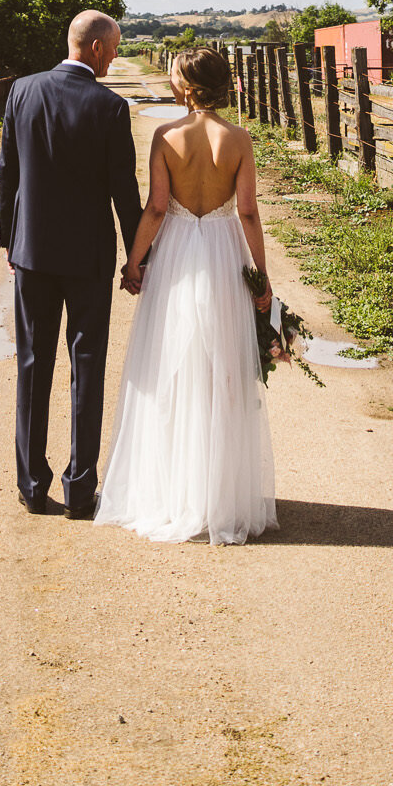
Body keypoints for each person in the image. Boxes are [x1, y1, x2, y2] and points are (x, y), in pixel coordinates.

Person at [96, 46, 277, 545]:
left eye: (176, 74)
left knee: (169, 364)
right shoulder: (238, 138)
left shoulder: (166, 135)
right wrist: (261, 276)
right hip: (221, 252)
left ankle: (171, 489)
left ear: (187, 86)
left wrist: (134, 262)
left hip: (177, 251)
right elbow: (247, 212)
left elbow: (155, 208)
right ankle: (218, 492)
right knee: (221, 368)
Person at [0, 8, 142, 517]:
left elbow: (8, 173)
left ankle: (32, 486)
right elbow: (124, 191)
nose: (116, 56)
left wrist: (9, 244)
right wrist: (137, 256)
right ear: (98, 48)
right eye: (117, 47)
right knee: (88, 366)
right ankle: (81, 489)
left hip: (32, 254)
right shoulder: (110, 107)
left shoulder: (22, 91)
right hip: (88, 260)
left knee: (32, 365)